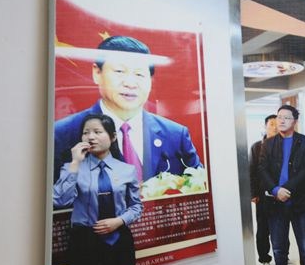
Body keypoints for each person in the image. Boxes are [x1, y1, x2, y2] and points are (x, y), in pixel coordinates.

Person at [53, 36, 202, 184]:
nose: (130, 83)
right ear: (97, 73)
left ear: (151, 80)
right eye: (119, 71)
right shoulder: (61, 135)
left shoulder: (176, 135)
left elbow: (199, 187)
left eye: (139, 74)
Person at [53, 114, 143, 265]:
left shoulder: (127, 169)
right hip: (85, 245)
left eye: (97, 131)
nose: (90, 137)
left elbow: (136, 207)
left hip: (119, 244)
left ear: (112, 137)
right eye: (86, 132)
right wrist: (74, 163)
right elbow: (59, 200)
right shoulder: (73, 168)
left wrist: (119, 221)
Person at [258, 105, 305, 265]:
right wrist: (275, 190)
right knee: (278, 248)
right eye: (279, 117)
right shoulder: (268, 143)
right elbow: (262, 169)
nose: (281, 120)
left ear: (295, 121)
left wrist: (286, 189)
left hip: (300, 202)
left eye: (286, 117)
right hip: (275, 203)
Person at [249, 115, 279, 265]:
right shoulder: (257, 147)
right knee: (263, 229)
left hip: (280, 194)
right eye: (272, 124)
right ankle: (264, 258)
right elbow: (251, 171)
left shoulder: (284, 145)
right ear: (265, 127)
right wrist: (253, 193)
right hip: (262, 194)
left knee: (281, 227)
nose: (275, 127)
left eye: (277, 124)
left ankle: (282, 256)